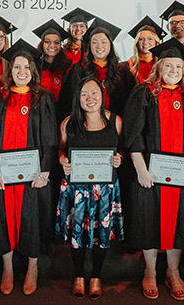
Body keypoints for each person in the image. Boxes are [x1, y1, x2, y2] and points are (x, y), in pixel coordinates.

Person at [123, 39, 184, 301]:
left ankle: (173, 271)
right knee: (148, 219)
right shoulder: (144, 93)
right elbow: (133, 133)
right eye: (168, 66)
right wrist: (140, 169)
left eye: (178, 66)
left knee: (181, 220)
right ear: (159, 67)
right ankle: (149, 271)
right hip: (149, 173)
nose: (173, 70)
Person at [0, 40, 57, 295]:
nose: (21, 72)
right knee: (2, 218)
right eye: (16, 67)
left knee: (32, 217)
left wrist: (45, 171)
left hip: (33, 175)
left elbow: (50, 136)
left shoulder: (42, 98)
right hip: (3, 175)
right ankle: (8, 267)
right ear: (9, 70)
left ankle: (33, 266)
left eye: (26, 67)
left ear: (33, 71)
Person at [56, 77, 124, 300]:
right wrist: (63, 160)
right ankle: (78, 275)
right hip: (76, 189)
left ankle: (96, 276)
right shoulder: (68, 123)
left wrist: (120, 159)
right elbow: (61, 150)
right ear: (78, 98)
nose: (90, 98)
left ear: (102, 95)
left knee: (101, 233)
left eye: (94, 93)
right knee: (77, 233)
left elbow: (122, 149)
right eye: (84, 94)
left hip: (105, 190)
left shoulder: (116, 121)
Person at [59, 17, 134, 120]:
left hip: (116, 124)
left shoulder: (122, 71)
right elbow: (68, 102)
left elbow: (130, 105)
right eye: (94, 42)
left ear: (110, 45)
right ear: (89, 46)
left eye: (104, 42)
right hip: (85, 124)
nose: (99, 46)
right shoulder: (79, 70)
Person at [32, 19, 73, 102]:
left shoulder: (67, 67)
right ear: (42, 44)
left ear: (60, 46)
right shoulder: (34, 66)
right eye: (47, 42)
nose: (52, 45)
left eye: (56, 42)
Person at [126, 16, 166, 84]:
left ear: (156, 42)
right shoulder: (128, 66)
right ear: (137, 43)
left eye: (150, 39)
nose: (145, 42)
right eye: (141, 39)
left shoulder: (163, 64)